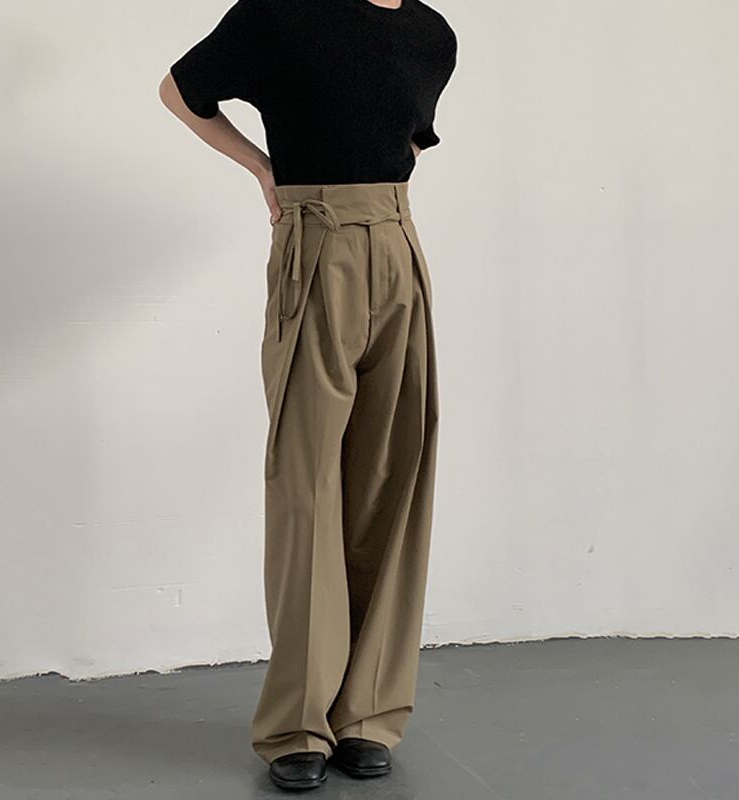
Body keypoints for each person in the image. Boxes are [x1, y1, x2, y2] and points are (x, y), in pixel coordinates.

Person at [159, 0, 457, 790]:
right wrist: (263, 168)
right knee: (307, 481)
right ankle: (298, 722)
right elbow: (181, 89)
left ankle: (368, 714)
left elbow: (400, 142)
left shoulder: (432, 36)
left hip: (399, 244)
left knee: (393, 477)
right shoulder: (282, 14)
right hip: (315, 237)